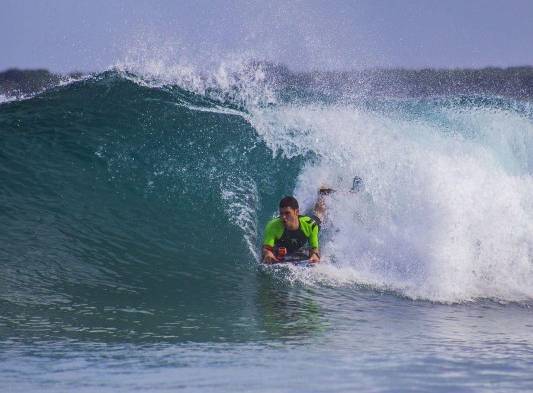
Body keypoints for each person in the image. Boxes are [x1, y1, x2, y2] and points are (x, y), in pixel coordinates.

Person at [262, 194, 327, 264]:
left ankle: (323, 194)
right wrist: (268, 254)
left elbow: (314, 249)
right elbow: (266, 249)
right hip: (280, 247)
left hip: (303, 231)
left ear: (297, 212)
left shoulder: (310, 225)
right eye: (281, 213)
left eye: (287, 213)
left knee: (318, 215)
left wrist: (314, 255)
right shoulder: (272, 226)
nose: (283, 217)